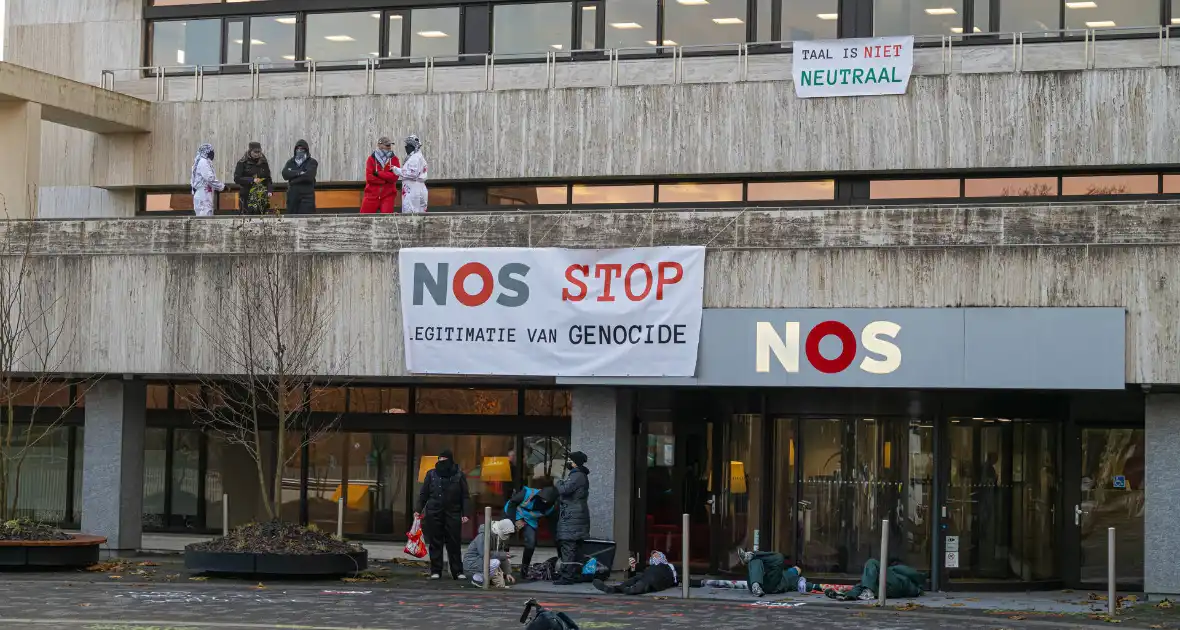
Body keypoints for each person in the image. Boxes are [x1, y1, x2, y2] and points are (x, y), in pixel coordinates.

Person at [415, 449, 470, 580]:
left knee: (454, 543)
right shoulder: (431, 474)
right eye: (440, 460)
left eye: (444, 461)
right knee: (435, 543)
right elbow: (424, 494)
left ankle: (457, 571)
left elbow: (465, 496)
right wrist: (418, 509)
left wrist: (465, 513)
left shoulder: (459, 475)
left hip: (453, 512)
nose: (442, 463)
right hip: (434, 512)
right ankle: (436, 570)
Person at [553, 451, 590, 585]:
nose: (568, 463)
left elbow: (564, 490)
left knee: (568, 544)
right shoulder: (580, 475)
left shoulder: (577, 476)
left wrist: (558, 482)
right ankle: (574, 574)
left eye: (570, 460)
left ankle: (567, 576)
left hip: (572, 516)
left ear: (575, 462)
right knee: (575, 547)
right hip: (577, 515)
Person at [504, 485, 558, 575]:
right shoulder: (527, 493)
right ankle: (503, 567)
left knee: (531, 543)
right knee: (505, 538)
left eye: (546, 502)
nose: (543, 502)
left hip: (530, 520)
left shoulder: (552, 509)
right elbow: (512, 503)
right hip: (513, 513)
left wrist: (557, 539)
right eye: (541, 499)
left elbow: (552, 525)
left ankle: (524, 569)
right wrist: (513, 522)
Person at [826, 558, 926, 601]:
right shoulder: (881, 577)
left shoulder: (896, 569)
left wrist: (921, 582)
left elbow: (911, 573)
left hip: (897, 585)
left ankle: (866, 592)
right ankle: (847, 595)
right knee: (863, 584)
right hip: (889, 591)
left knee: (871, 562)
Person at [592, 551, 677, 595]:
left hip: (659, 578)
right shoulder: (650, 568)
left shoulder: (668, 566)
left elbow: (676, 579)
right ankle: (614, 589)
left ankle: (632, 589)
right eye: (653, 556)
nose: (654, 557)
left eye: (657, 555)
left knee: (648, 579)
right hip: (650, 579)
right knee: (638, 577)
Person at [463, 518, 517, 588]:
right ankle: (478, 579)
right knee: (496, 562)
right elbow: (484, 553)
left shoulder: (498, 537)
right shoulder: (483, 535)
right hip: (472, 561)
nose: (508, 536)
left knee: (500, 584)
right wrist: (502, 555)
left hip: (480, 560)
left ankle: (485, 579)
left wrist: (508, 573)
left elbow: (501, 553)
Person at [736, 548, 805, 597]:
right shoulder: (781, 571)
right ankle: (756, 585)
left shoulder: (794, 578)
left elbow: (810, 586)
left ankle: (752, 555)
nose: (795, 568)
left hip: (772, 586)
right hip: (755, 582)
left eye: (796, 569)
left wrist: (811, 585)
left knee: (779, 557)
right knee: (756, 560)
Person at [360, 136, 400, 214]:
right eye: (387, 145)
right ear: (379, 145)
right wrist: (385, 180)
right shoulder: (371, 159)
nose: (389, 147)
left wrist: (378, 173)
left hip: (388, 195)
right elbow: (369, 178)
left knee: (387, 220)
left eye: (390, 145)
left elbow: (394, 177)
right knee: (364, 218)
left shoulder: (394, 159)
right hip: (371, 195)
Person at [233, 141, 273, 215]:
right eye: (255, 152)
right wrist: (252, 180)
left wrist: (270, 190)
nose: (257, 154)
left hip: (261, 196)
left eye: (259, 152)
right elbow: (237, 178)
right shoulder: (242, 162)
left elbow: (268, 178)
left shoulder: (264, 163)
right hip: (247, 196)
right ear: (250, 151)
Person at [391, 134, 428, 214]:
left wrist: (396, 170)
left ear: (414, 146)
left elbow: (412, 174)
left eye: (408, 146)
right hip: (417, 188)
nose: (406, 148)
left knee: (410, 213)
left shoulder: (415, 158)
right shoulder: (419, 157)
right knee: (420, 214)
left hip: (413, 189)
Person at [281, 139, 318, 214]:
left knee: (306, 221)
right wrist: (299, 173)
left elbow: (309, 176)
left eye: (302, 149)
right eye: (298, 149)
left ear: (306, 150)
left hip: (307, 198)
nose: (299, 150)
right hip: (292, 198)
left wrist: (293, 180)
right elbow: (285, 174)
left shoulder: (312, 162)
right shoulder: (290, 162)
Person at [190, 143, 225, 217]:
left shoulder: (199, 162)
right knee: (205, 217)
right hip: (204, 194)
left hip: (203, 193)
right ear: (207, 152)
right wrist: (221, 186)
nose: (213, 155)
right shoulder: (203, 162)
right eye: (211, 152)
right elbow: (210, 178)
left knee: (203, 215)